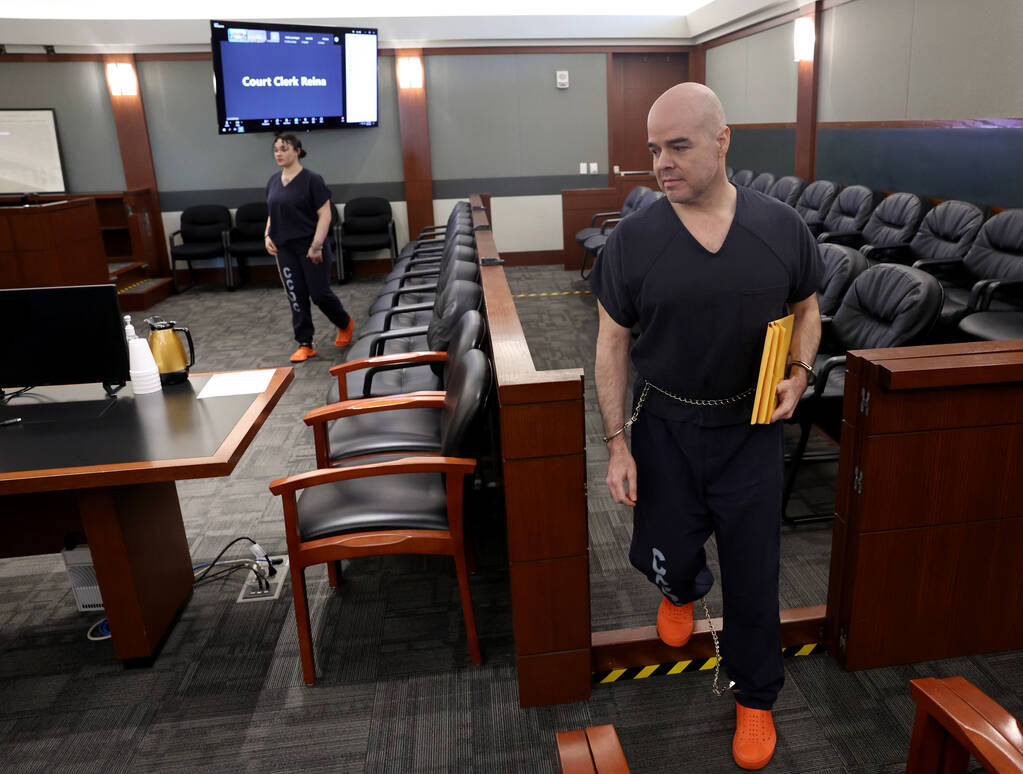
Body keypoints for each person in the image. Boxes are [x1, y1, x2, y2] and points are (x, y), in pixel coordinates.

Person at [590, 83, 821, 770]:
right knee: (665, 545)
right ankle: (679, 587)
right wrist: (614, 443)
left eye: (678, 146)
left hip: (749, 429)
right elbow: (610, 343)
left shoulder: (781, 227)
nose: (660, 163)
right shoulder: (632, 240)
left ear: (723, 141)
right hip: (663, 423)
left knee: (754, 573)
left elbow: (807, 309)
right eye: (653, 149)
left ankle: (754, 696)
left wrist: (800, 373)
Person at [264, 133, 354, 363]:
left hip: (311, 245)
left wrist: (316, 245)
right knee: (296, 296)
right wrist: (267, 234)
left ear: (298, 151)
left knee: (319, 293)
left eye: (284, 149)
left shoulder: (312, 180)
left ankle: (344, 322)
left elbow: (325, 214)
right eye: (276, 150)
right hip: (285, 248)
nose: (279, 153)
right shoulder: (273, 181)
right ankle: (305, 343)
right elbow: (272, 213)